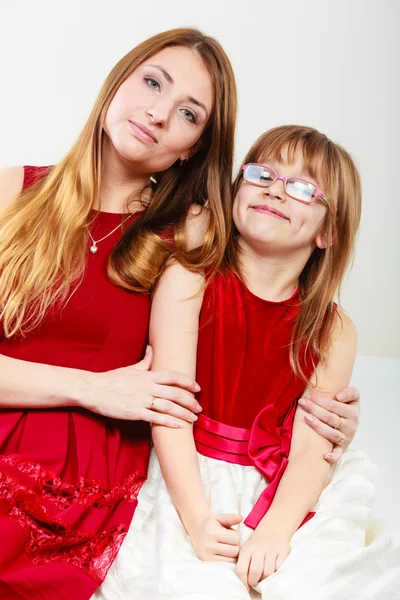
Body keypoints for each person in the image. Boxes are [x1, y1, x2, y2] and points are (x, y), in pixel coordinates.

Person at [0, 28, 361, 599]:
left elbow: (259, 324)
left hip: (75, 492)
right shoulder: (10, 191)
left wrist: (319, 414)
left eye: (189, 113)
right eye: (151, 82)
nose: (158, 113)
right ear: (118, 81)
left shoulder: (190, 240)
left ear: (195, 145)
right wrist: (92, 387)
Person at [101, 125, 398, 600]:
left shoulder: (333, 329)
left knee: (321, 581)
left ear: (328, 231)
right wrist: (198, 518)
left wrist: (278, 528)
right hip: (184, 470)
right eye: (262, 173)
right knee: (190, 583)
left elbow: (311, 446)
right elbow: (169, 409)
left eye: (303, 187)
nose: (275, 189)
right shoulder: (190, 278)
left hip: (281, 483)